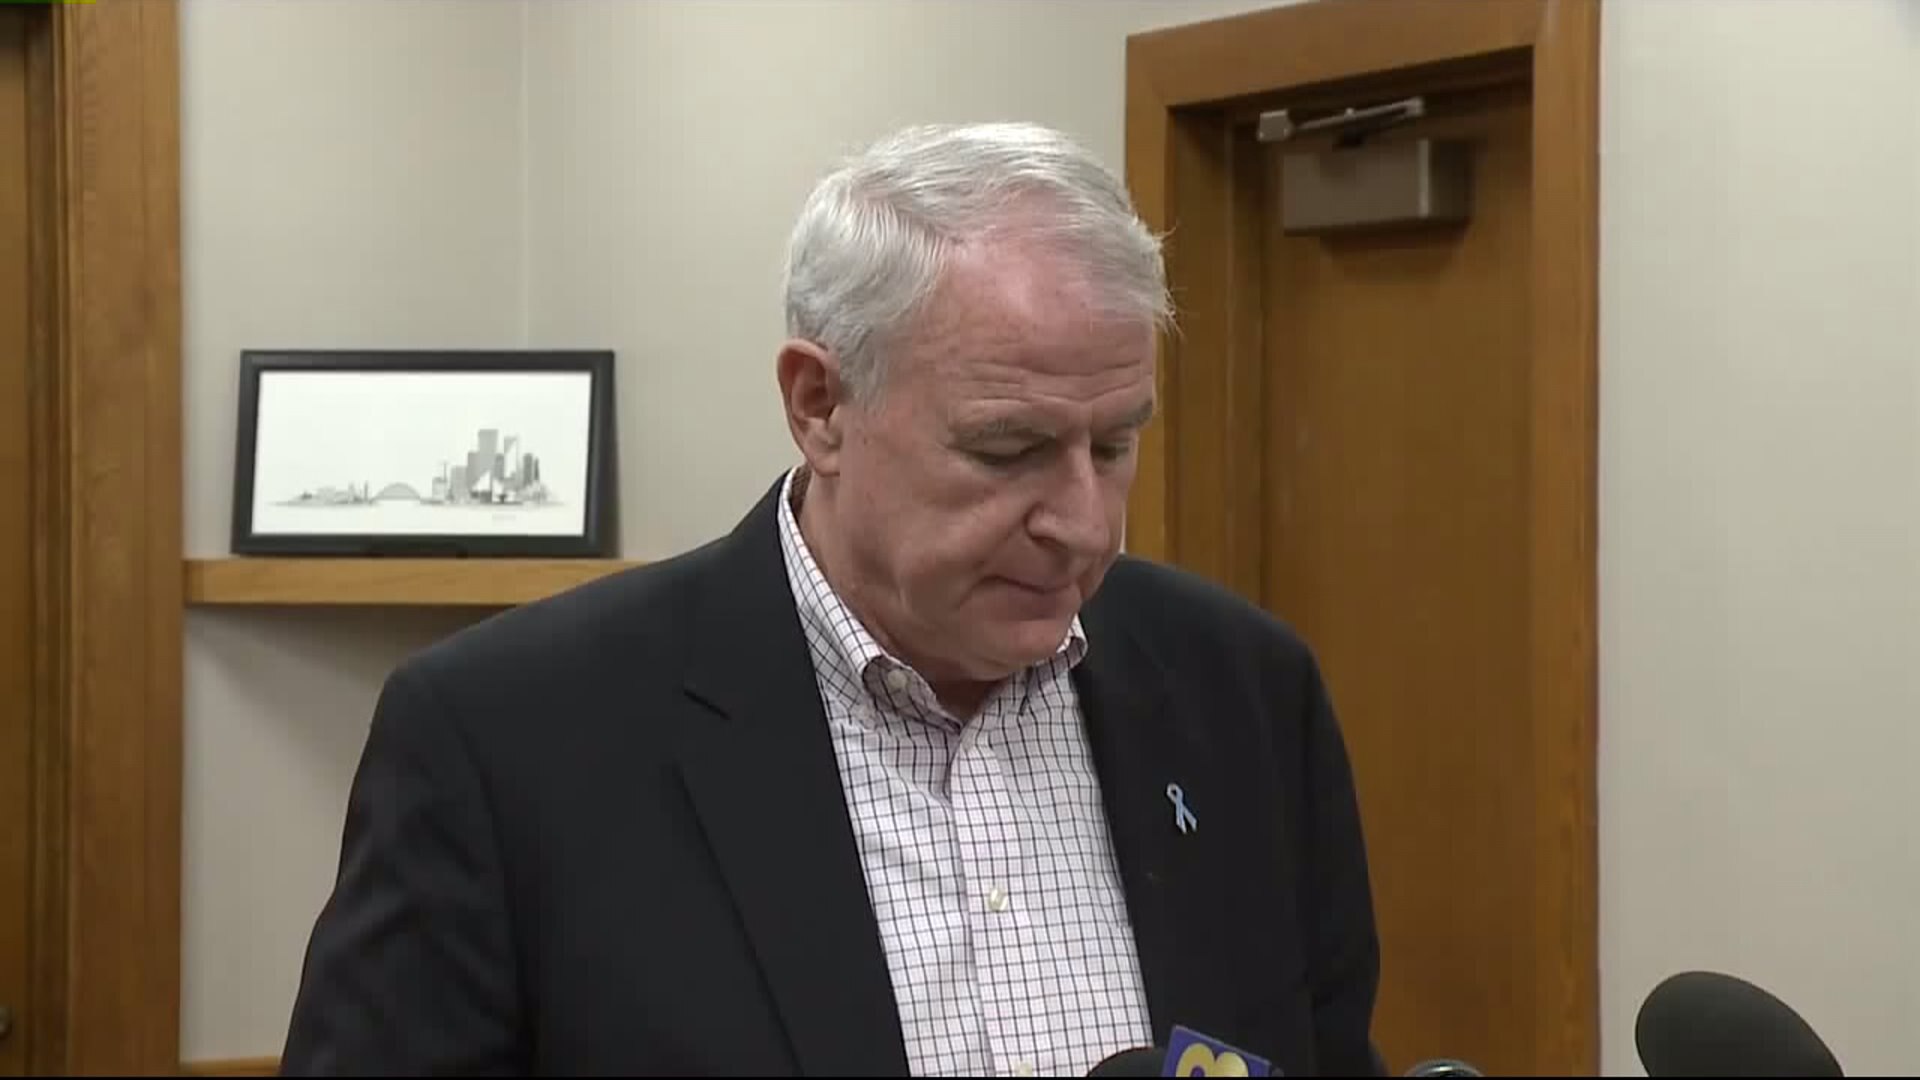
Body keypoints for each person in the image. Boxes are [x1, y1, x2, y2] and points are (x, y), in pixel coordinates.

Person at [280, 121, 1381, 1078]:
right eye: (1009, 449)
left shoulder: (1245, 692)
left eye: (1114, 445)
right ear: (820, 407)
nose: (1085, 524)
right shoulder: (506, 742)